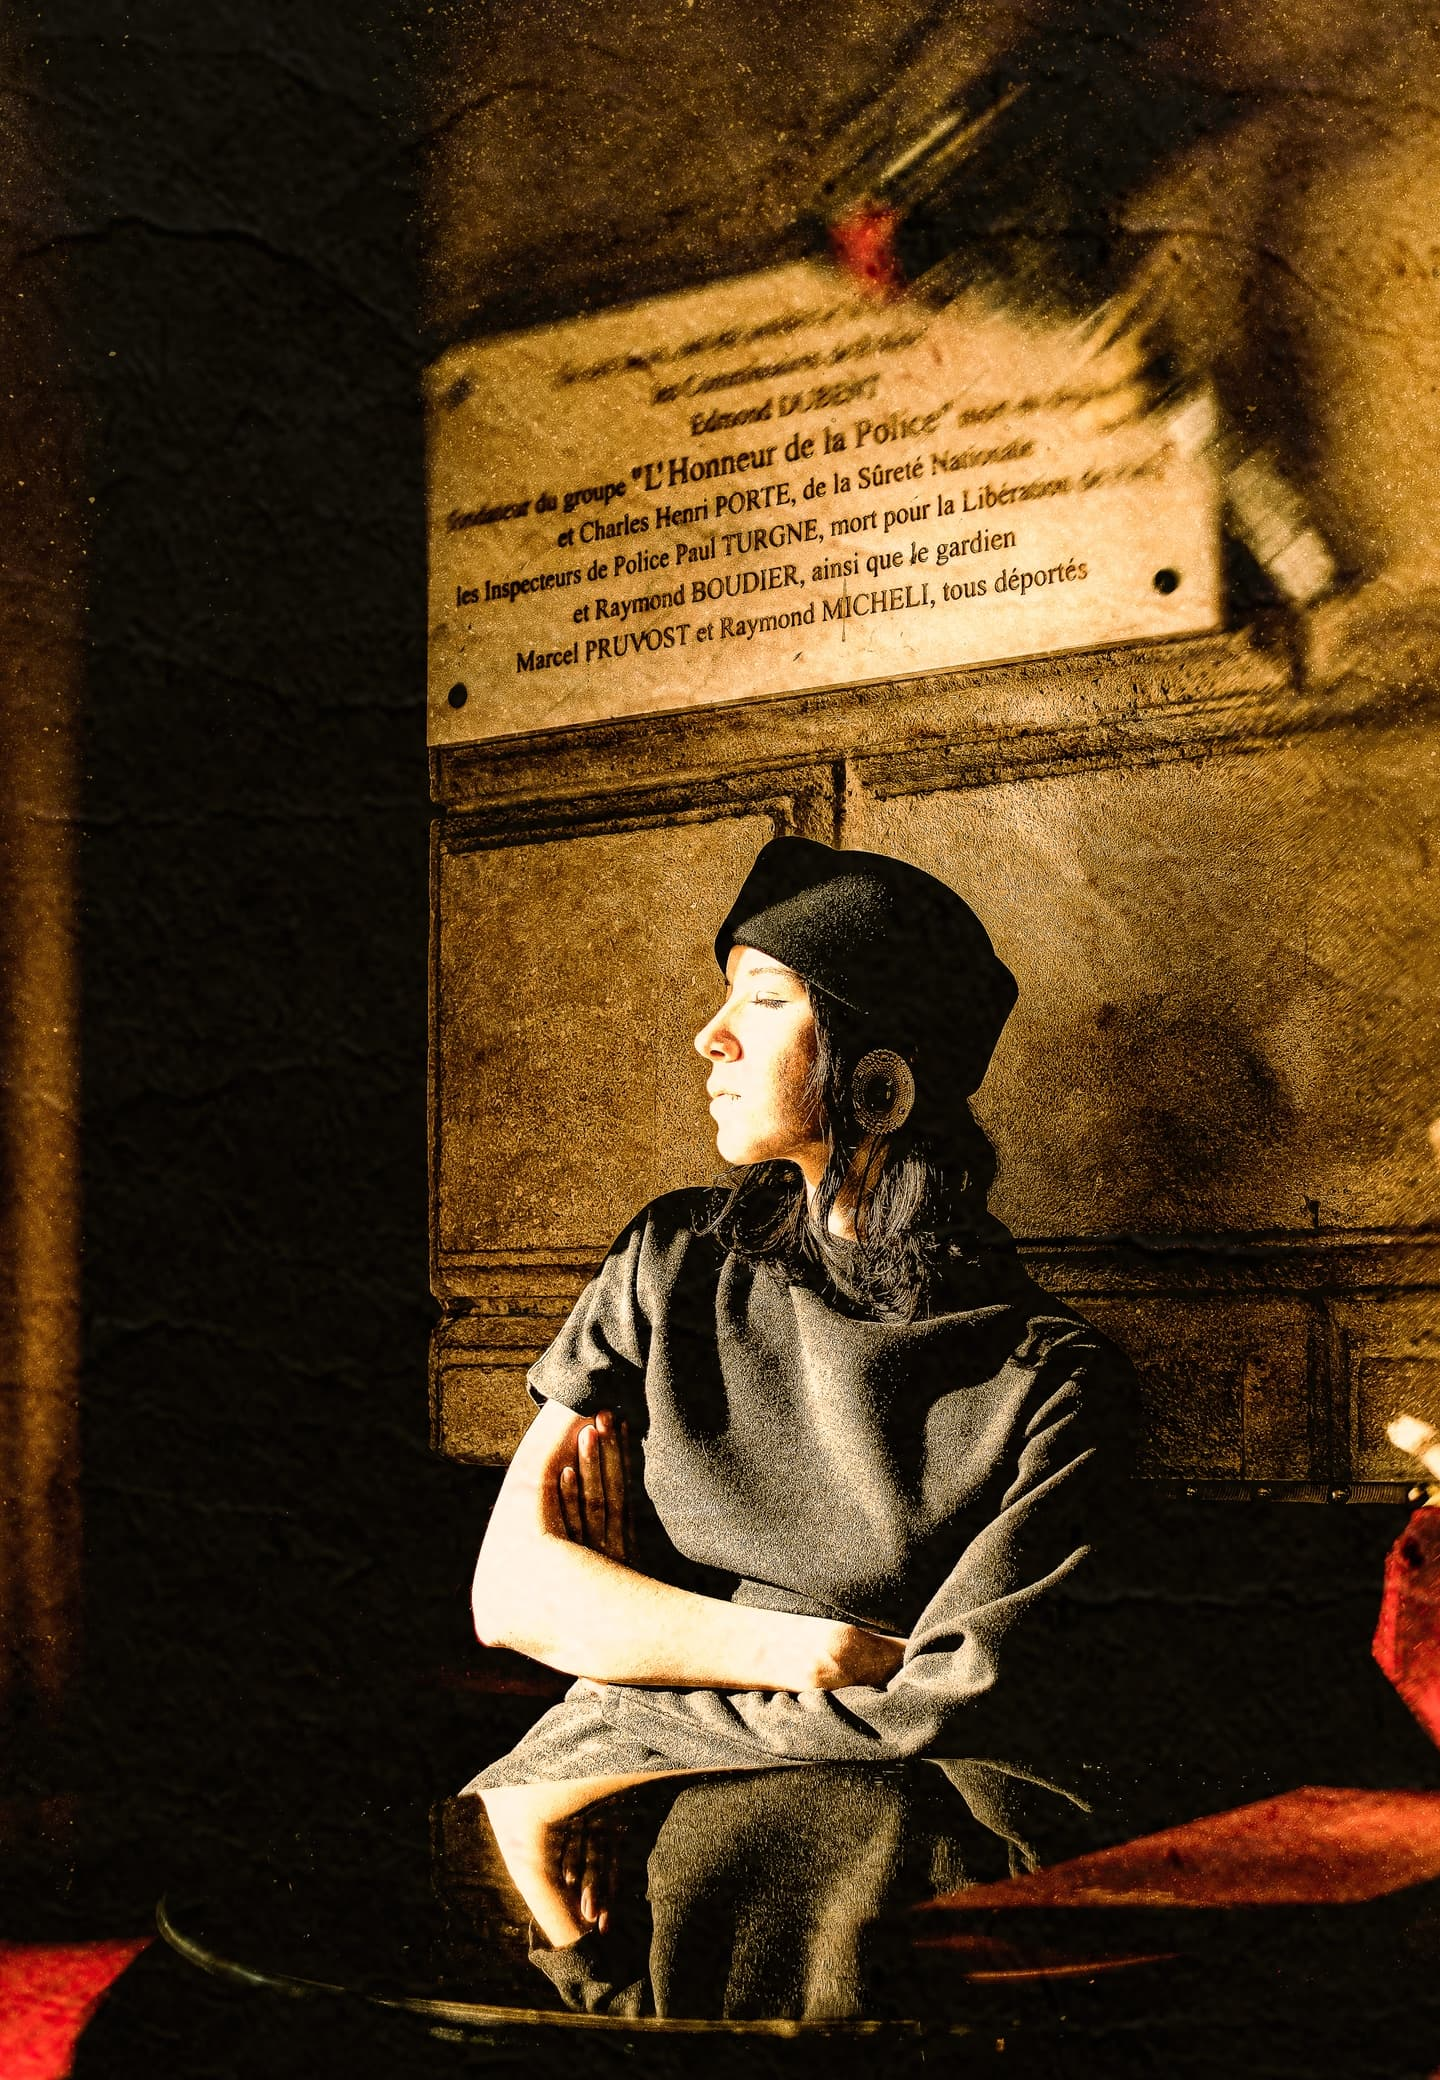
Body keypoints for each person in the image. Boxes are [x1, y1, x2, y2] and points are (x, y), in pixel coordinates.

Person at [463, 835, 1141, 1963]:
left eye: (763, 999)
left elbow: (952, 1712)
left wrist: (637, 1639)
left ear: (879, 1068)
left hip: (876, 1843)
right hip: (594, 1800)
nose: (708, 1037)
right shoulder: (673, 1259)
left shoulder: (1054, 1382)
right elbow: (513, 1595)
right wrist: (819, 1653)